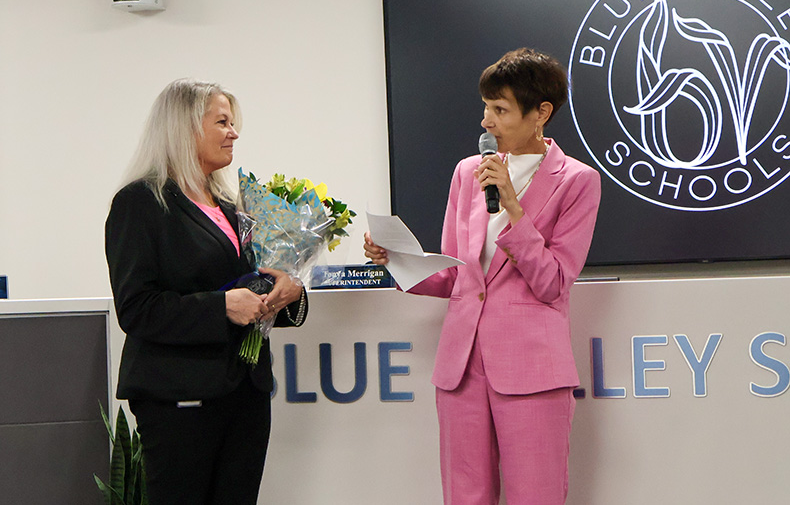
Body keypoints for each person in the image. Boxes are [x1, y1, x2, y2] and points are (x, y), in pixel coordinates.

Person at [364, 48, 601, 504]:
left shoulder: (577, 180)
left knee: (537, 495)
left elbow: (552, 282)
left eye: (500, 109)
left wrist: (513, 208)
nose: (486, 123)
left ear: (541, 114)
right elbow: (458, 276)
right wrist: (396, 260)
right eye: (485, 107)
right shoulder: (466, 173)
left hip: (531, 368)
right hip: (462, 367)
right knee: (465, 497)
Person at [105, 78, 307, 505]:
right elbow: (137, 308)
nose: (234, 133)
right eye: (223, 122)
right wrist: (221, 308)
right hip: (180, 395)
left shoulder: (233, 208)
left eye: (233, 123)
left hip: (245, 394)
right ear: (184, 128)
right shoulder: (140, 204)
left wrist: (289, 293)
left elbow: (254, 285)